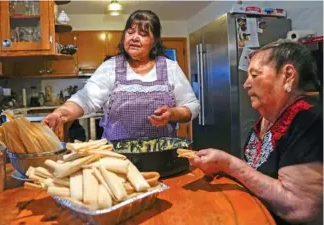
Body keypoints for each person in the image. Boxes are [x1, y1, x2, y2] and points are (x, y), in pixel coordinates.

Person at [190, 40, 323, 225]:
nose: (246, 84)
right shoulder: (267, 119)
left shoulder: (310, 119)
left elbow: (300, 208)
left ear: (288, 76)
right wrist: (219, 167)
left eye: (254, 75)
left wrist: (229, 164)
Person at [43, 10, 200, 141]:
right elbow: (86, 99)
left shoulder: (170, 68)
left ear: (154, 42)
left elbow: (192, 106)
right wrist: (61, 113)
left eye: (143, 34)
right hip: (117, 159)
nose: (134, 38)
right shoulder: (110, 67)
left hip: (161, 156)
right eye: (130, 32)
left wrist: (172, 114)